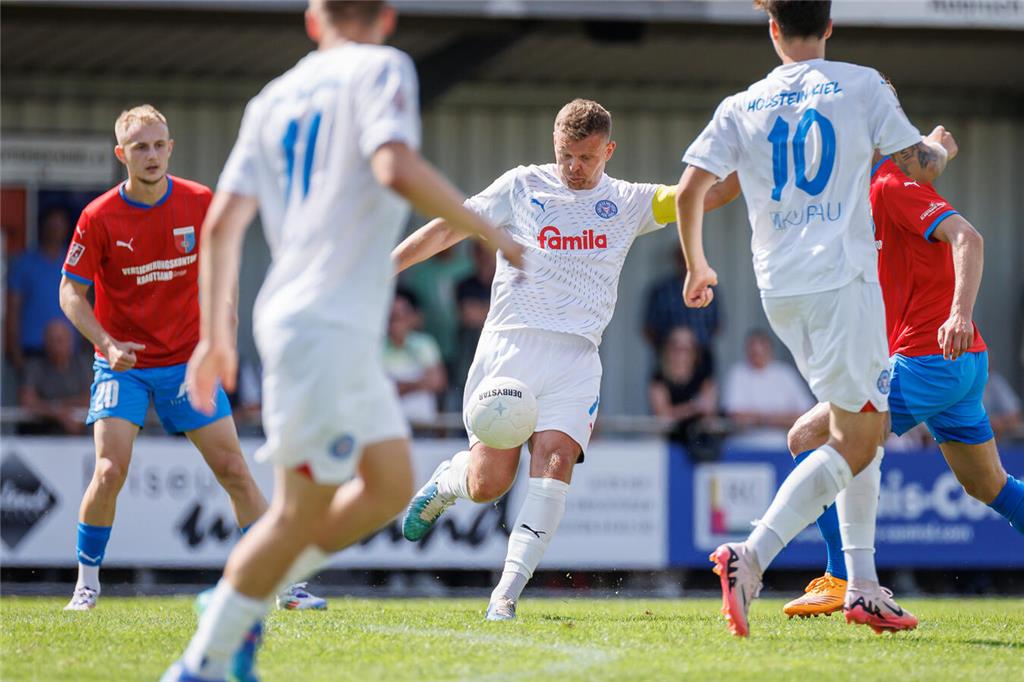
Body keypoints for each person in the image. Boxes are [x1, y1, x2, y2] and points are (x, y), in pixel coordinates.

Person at [162, 1, 522, 679]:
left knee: (390, 486)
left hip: (326, 328)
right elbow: (393, 166)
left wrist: (216, 338)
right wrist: (490, 230)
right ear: (387, 17)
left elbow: (220, 228)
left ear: (311, 19)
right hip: (321, 325)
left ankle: (244, 594)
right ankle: (206, 652)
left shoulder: (272, 97)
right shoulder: (383, 67)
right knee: (299, 513)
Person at [675, 0, 956, 636]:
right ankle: (751, 558)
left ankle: (861, 586)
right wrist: (938, 145)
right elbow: (921, 166)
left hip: (781, 291)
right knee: (860, 436)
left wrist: (697, 266)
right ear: (829, 25)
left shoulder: (741, 104)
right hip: (843, 283)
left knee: (863, 418)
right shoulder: (862, 83)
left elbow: (692, 188)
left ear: (772, 28)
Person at [394, 98, 728, 621]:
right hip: (511, 347)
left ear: (608, 151)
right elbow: (446, 228)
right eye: (566, 155)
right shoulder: (522, 186)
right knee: (489, 484)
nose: (575, 167)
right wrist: (384, 269)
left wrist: (753, 165)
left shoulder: (628, 201)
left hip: (576, 358)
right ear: (555, 144)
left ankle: (504, 595)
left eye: (587, 158)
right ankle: (448, 481)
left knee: (554, 465)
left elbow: (699, 195)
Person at [58, 104, 324, 613]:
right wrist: (108, 344)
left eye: (159, 145)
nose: (152, 155)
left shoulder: (200, 202)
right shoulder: (98, 216)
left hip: (187, 362)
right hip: (123, 365)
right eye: (140, 147)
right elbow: (71, 293)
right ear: (122, 155)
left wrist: (222, 331)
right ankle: (86, 585)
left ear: (171, 147)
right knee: (110, 470)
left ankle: (281, 585)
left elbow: (223, 272)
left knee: (234, 470)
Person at [781, 139, 1024, 618]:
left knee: (808, 436)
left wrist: (959, 313)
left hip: (931, 357)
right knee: (989, 485)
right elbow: (928, 156)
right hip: (959, 363)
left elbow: (968, 238)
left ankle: (840, 579)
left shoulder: (892, 186)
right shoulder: (880, 183)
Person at [5, 207, 72, 370]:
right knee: (29, 396)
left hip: (69, 354)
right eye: (52, 225)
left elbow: (87, 302)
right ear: (43, 227)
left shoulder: (72, 262)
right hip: (32, 350)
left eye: (60, 226)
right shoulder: (25, 263)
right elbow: (12, 310)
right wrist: (14, 351)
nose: (56, 230)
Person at [644, 248, 721, 377]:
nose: (687, 263)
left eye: (690, 258)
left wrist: (697, 346)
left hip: (702, 358)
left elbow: (718, 324)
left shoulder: (708, 289)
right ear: (676, 260)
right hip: (668, 360)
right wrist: (668, 348)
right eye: (683, 258)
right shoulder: (661, 290)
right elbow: (649, 328)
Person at [721, 329, 813, 437]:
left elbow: (806, 413)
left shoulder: (785, 373)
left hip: (782, 444)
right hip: (743, 443)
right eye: (754, 352)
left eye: (761, 351)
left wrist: (760, 419)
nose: (758, 355)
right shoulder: (737, 373)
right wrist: (779, 418)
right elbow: (735, 415)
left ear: (770, 350)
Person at [384, 287, 447, 427]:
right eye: (393, 317)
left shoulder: (425, 343)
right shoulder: (377, 346)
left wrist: (399, 386)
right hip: (389, 424)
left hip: (423, 425)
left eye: (401, 316)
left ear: (412, 318)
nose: (396, 322)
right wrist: (419, 384)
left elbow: (437, 381)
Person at [17, 318, 92, 435]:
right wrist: (58, 413)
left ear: (70, 342)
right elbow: (27, 401)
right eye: (51, 340)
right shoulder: (35, 366)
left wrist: (56, 406)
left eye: (60, 340)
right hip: (41, 436)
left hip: (78, 435)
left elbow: (91, 398)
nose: (56, 345)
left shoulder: (82, 365)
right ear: (45, 342)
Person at [648, 325, 717, 451]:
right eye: (676, 348)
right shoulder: (659, 378)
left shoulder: (703, 377)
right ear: (668, 350)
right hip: (666, 441)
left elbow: (709, 409)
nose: (681, 354)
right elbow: (662, 415)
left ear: (694, 351)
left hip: (698, 441)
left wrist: (679, 412)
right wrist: (694, 407)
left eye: (686, 349)